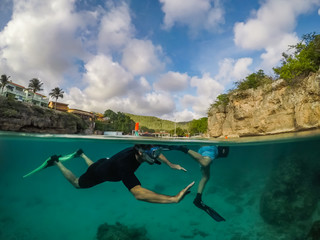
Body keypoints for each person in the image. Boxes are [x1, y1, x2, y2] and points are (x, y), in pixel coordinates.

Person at [45, 144, 194, 204]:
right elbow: (138, 193)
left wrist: (170, 164)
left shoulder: (140, 151)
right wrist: (173, 199)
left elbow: (156, 151)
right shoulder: (125, 166)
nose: (156, 156)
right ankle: (56, 162)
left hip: (105, 164)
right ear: (141, 153)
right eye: (154, 153)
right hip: (102, 170)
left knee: (95, 166)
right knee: (77, 183)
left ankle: (82, 155)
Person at [166, 145, 229, 222]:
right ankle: (183, 148)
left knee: (206, 177)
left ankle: (198, 198)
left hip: (206, 153)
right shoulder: (215, 148)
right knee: (205, 164)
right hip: (211, 150)